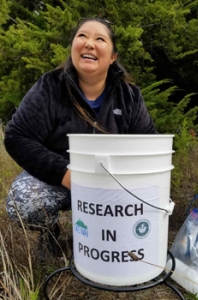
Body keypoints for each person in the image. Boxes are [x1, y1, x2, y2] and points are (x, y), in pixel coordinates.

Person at [4, 17, 157, 255]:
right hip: (61, 180)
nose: (89, 44)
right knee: (23, 202)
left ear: (113, 57)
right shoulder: (50, 87)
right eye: (82, 36)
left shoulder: (130, 97)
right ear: (73, 47)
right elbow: (17, 136)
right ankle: (52, 237)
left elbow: (149, 146)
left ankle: (106, 237)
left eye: (100, 39)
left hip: (113, 184)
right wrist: (66, 173)